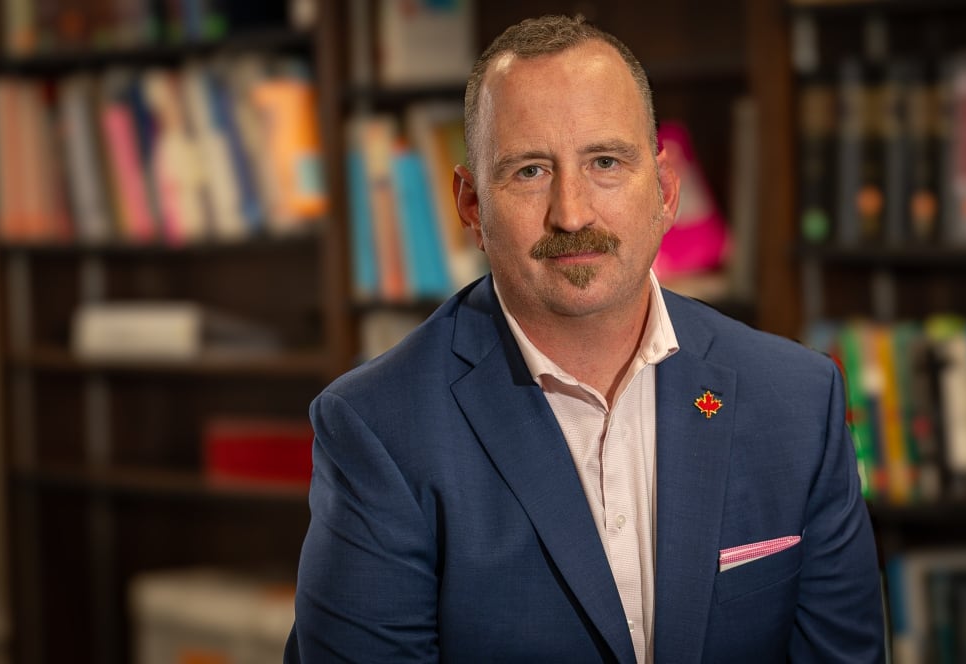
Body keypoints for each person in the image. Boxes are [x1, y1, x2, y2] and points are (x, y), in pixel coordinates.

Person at [286, 14, 884, 663]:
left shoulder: (797, 399)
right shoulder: (378, 428)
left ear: (665, 189)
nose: (571, 213)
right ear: (470, 205)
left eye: (605, 162)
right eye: (529, 172)